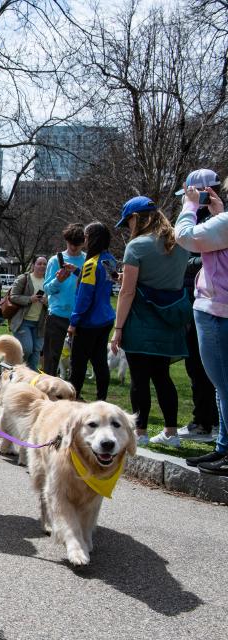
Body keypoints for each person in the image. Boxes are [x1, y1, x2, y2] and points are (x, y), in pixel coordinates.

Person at [111, 196, 190, 447]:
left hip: (141, 321)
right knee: (163, 377)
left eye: (128, 222)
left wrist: (118, 328)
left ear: (136, 218)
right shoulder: (180, 242)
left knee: (139, 378)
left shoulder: (137, 247)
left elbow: (127, 292)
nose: (128, 228)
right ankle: (171, 433)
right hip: (169, 321)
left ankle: (141, 433)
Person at [175, 171, 228, 474]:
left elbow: (185, 237)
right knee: (222, 387)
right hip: (216, 308)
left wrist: (190, 207)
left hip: (217, 311)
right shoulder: (223, 221)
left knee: (224, 386)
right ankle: (222, 447)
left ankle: (226, 449)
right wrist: (216, 213)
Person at [67, 222, 116, 401]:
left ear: (93, 238)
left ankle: (73, 399)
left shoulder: (91, 264)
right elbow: (105, 282)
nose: (84, 240)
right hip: (106, 318)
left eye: (86, 237)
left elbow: (84, 296)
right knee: (100, 362)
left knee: (77, 365)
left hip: (89, 322)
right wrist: (77, 272)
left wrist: (73, 322)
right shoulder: (110, 260)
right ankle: (101, 400)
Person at [42, 223, 86, 376]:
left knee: (78, 359)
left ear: (83, 242)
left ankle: (74, 391)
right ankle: (47, 390)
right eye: (71, 243)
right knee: (51, 357)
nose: (74, 247)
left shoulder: (87, 260)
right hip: (57, 315)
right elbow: (46, 289)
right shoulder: (55, 260)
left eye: (78, 244)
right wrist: (58, 281)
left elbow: (89, 288)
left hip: (79, 317)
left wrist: (77, 273)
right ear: (66, 241)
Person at [8, 256, 48, 371]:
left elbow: (54, 302)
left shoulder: (48, 281)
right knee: (27, 349)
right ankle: (13, 369)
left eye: (44, 264)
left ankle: (30, 378)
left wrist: (46, 302)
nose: (42, 266)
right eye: (39, 263)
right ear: (33, 265)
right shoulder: (24, 278)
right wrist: (30, 299)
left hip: (39, 324)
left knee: (36, 352)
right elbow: (13, 296)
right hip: (23, 321)